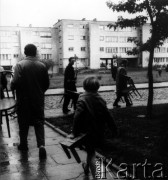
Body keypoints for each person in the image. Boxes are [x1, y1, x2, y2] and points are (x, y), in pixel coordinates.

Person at [67, 76, 117, 179]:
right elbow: (108, 115)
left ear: (85, 87)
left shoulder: (82, 98)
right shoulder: (101, 99)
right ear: (97, 87)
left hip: (87, 132)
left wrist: (74, 132)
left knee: (91, 153)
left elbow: (77, 117)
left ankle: (96, 176)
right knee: (91, 150)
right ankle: (86, 167)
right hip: (99, 131)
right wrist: (114, 129)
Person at [11, 44, 49, 159]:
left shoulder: (20, 65)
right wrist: (39, 92)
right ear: (35, 52)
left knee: (23, 122)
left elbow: (15, 82)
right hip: (38, 100)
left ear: (25, 52)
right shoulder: (42, 66)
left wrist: (13, 86)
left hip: (24, 100)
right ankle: (41, 145)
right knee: (39, 122)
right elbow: (46, 84)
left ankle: (23, 145)